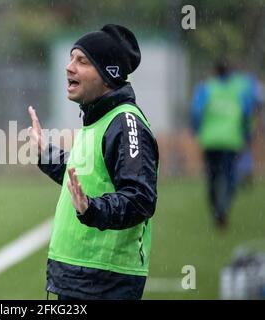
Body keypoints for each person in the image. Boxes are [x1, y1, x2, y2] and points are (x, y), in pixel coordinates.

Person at [28, 24, 159, 300]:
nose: (69, 67)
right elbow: (83, 174)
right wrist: (45, 154)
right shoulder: (98, 119)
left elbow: (140, 199)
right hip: (81, 277)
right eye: (71, 58)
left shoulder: (125, 123)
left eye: (82, 61)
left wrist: (93, 209)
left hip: (104, 280)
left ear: (108, 75)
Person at [191, 60, 263, 227]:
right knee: (230, 177)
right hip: (231, 141)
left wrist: (197, 129)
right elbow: (246, 114)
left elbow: (196, 111)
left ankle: (216, 208)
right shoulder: (238, 91)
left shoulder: (206, 88)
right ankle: (223, 209)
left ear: (215, 72)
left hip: (210, 140)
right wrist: (246, 134)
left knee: (212, 178)